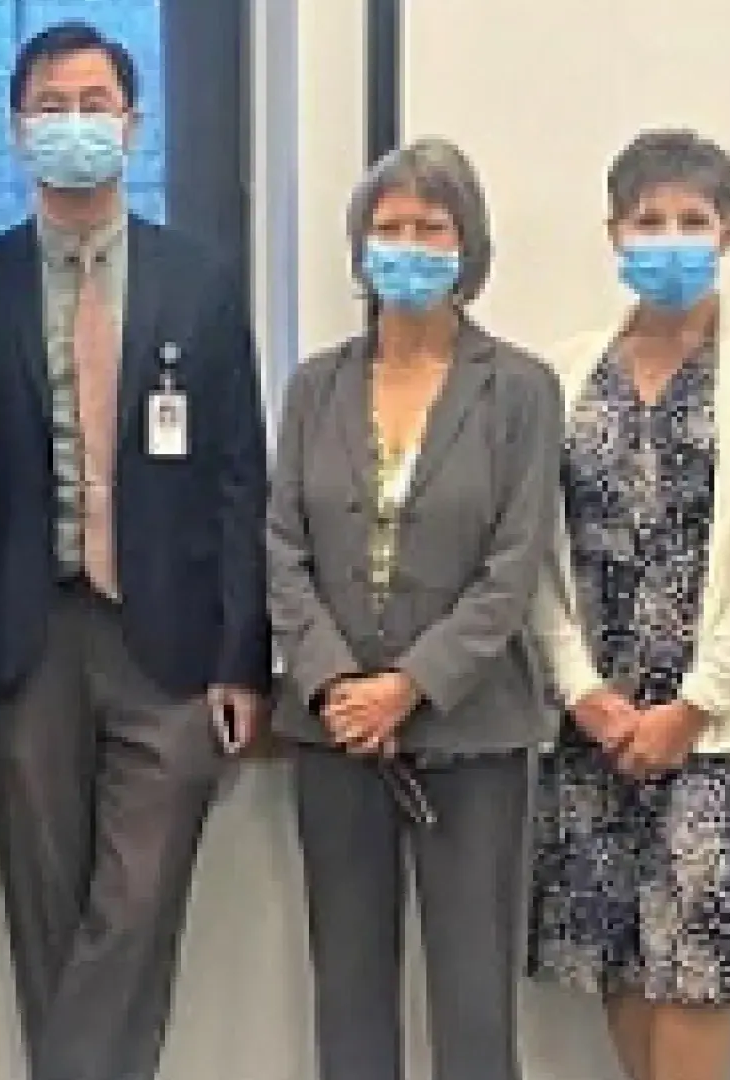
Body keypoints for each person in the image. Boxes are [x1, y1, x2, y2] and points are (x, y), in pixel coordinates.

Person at [0, 22, 268, 1080]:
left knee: (137, 906)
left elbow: (239, 476)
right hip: (20, 639)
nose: (75, 124)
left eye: (94, 102)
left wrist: (243, 656)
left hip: (168, 640)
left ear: (134, 123)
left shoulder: (198, 279)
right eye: (52, 106)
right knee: (44, 912)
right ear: (19, 131)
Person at [528, 129, 730, 1080]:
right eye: (647, 219)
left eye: (691, 220)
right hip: (596, 729)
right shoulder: (560, 375)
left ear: (729, 232)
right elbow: (532, 550)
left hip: (720, 731)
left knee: (695, 979)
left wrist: (690, 706)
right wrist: (581, 690)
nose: (668, 237)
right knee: (618, 965)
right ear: (612, 231)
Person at [266, 138, 559, 1080]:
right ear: (360, 246)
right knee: (348, 998)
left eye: (431, 227)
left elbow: (514, 568)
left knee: (474, 1007)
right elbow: (281, 549)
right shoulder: (315, 385)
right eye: (390, 227)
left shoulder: (518, 387)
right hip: (334, 734)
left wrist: (410, 686)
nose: (410, 244)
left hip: (472, 734)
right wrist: (340, 687)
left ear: (468, 245)